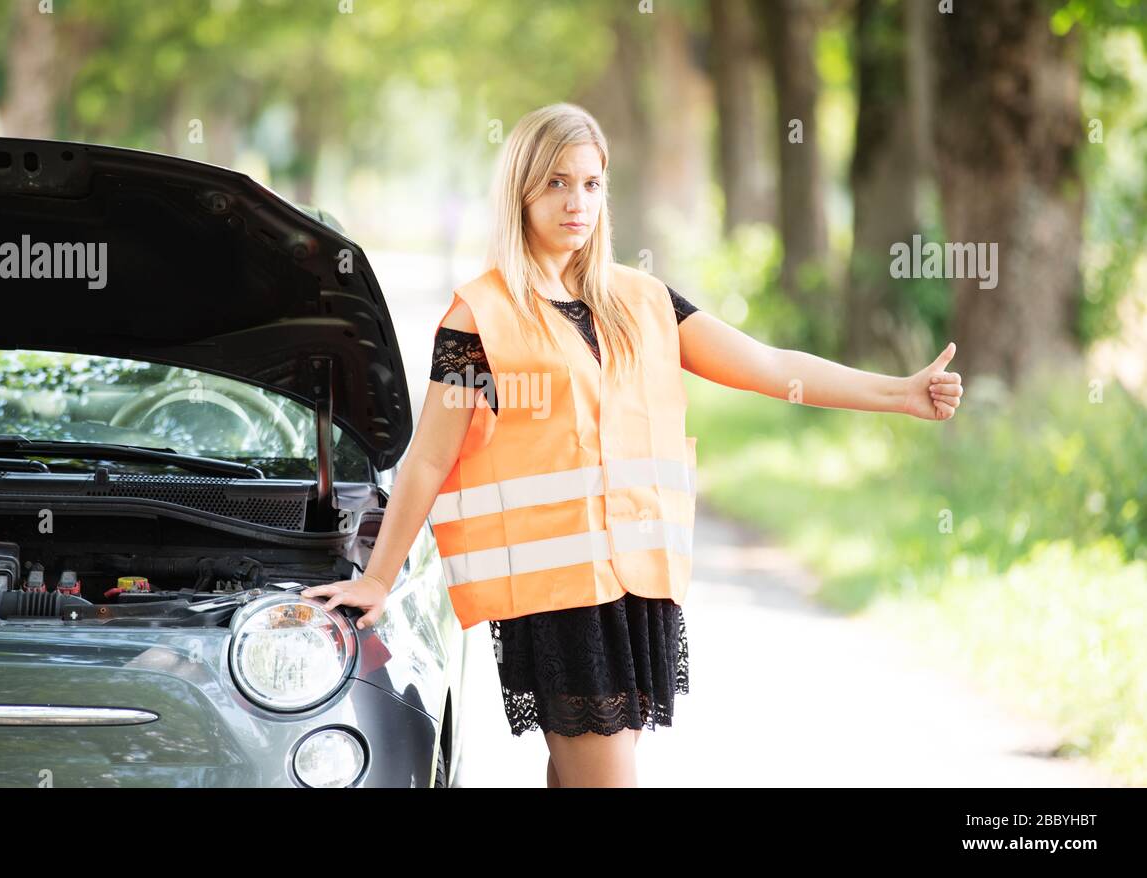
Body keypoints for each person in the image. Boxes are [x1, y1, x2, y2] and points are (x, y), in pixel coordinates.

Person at [301, 102, 965, 788]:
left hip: (638, 589)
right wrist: (379, 577)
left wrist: (899, 392)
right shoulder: (483, 318)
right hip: (558, 603)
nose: (576, 202)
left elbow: (770, 368)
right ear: (521, 191)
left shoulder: (643, 301)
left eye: (591, 184)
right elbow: (431, 458)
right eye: (556, 183)